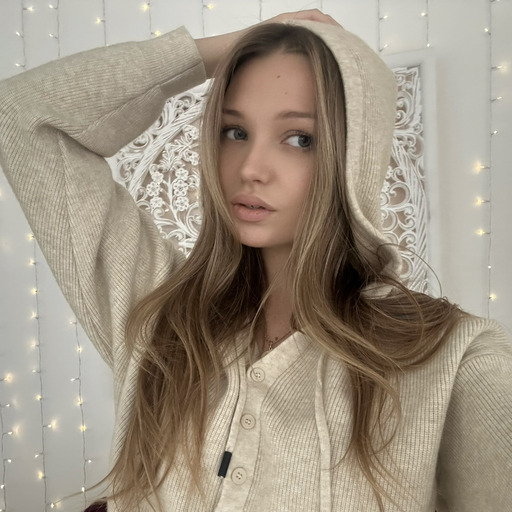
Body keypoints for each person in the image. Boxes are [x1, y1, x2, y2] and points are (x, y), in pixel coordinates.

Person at [0, 8, 511, 512]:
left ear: (353, 156)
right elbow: (22, 115)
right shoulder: (161, 320)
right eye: (235, 131)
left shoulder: (455, 360)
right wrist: (227, 48)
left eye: (300, 139)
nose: (250, 168)